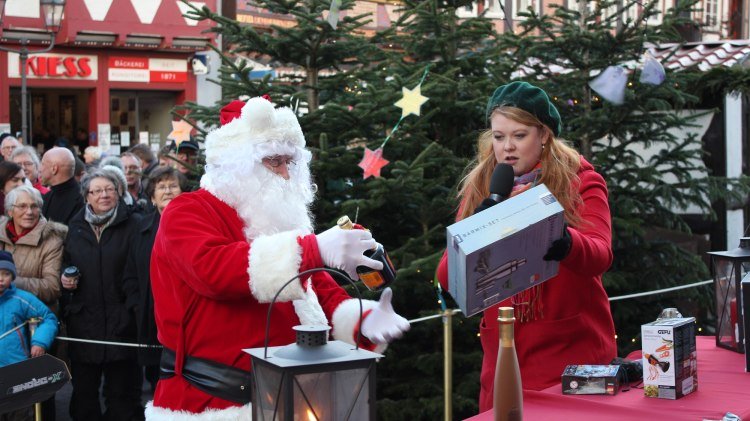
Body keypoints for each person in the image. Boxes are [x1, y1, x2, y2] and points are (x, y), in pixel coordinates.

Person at [146, 97, 410, 419]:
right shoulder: (187, 211)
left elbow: (318, 293)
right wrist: (313, 249)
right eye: (274, 161)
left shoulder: (277, 223)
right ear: (235, 164)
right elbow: (214, 270)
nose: (286, 174)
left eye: (290, 162)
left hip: (296, 398)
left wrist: (362, 320)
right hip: (216, 404)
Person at [437, 81, 616, 412]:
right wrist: (476, 226)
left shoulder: (581, 181)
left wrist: (567, 243)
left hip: (571, 358)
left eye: (519, 136)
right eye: (499, 136)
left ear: (544, 134)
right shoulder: (482, 187)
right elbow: (448, 278)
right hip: (504, 362)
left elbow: (600, 254)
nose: (507, 147)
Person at [60, 170, 143, 420]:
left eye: (109, 189)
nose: (103, 195)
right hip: (85, 324)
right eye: (96, 191)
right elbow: (65, 264)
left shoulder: (135, 224)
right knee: (84, 396)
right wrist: (65, 279)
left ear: (118, 192)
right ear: (87, 196)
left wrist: (133, 311)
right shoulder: (74, 228)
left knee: (122, 396)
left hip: (122, 323)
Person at [123, 166, 186, 392]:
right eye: (161, 187)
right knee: (156, 383)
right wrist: (137, 306)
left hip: (184, 318)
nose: (167, 191)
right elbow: (129, 273)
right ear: (152, 196)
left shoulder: (193, 224)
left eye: (173, 186)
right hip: (150, 318)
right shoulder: (141, 228)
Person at [0, 250, 59, 421]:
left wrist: (39, 342)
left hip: (17, 370)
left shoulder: (21, 299)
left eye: (5, 274)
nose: (1, 278)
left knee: (19, 414)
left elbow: (48, 318)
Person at [0, 186, 66, 310]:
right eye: (22, 206)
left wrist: (9, 281)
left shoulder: (51, 240)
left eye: (34, 206)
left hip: (34, 317)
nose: (29, 212)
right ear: (10, 211)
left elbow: (52, 288)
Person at [41, 147, 85, 226]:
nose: (40, 169)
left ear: (54, 169)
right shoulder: (47, 197)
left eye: (42, 164)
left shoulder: (83, 200)